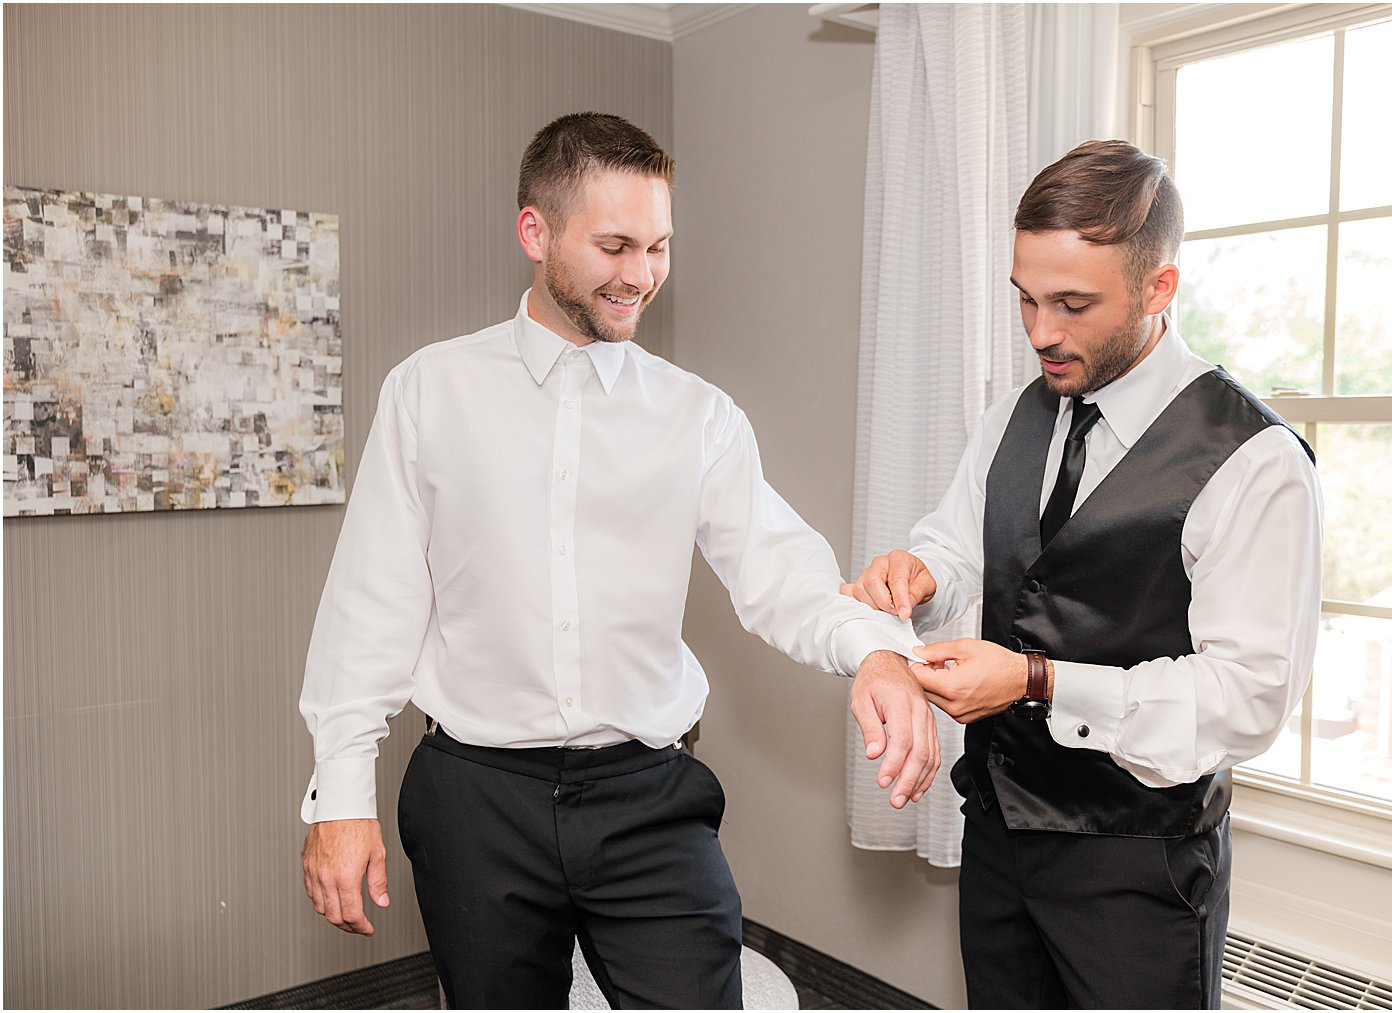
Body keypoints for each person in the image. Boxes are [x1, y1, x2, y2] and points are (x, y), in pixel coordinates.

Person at [299, 112, 940, 1010]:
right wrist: (341, 792)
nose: (641, 275)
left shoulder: (699, 416)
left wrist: (876, 648)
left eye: (659, 246)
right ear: (536, 232)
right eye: (614, 245)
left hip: (648, 792)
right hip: (475, 797)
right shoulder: (427, 392)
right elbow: (370, 607)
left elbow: (781, 573)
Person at [843, 139, 1322, 1009]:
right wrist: (919, 574)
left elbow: (1247, 697)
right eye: (1025, 299)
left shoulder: (1254, 460)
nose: (1041, 333)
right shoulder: (1012, 415)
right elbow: (966, 552)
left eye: (1072, 303)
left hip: (1136, 867)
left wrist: (1036, 679)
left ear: (1158, 289)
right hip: (996, 834)